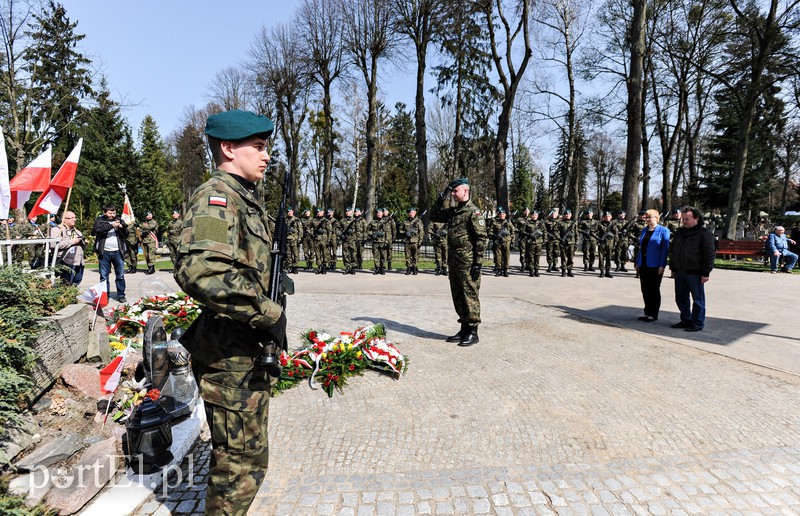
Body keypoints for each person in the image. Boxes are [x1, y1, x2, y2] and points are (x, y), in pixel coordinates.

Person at [173, 109, 285, 515]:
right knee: (237, 470)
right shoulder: (216, 199)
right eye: (258, 147)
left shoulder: (242, 200)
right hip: (228, 356)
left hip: (243, 351)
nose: (266, 155)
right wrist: (267, 312)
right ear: (227, 148)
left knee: (246, 464)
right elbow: (201, 271)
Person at [430, 178, 488, 347]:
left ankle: (473, 331)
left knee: (469, 294)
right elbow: (434, 216)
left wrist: (478, 263)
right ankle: (463, 328)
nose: (453, 194)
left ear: (465, 191)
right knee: (457, 293)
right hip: (454, 260)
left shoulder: (473, 212)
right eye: (452, 192)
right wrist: (440, 200)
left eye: (455, 191)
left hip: (468, 262)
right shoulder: (454, 211)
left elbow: (481, 238)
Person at [669, 206, 715, 332]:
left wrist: (706, 272)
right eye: (683, 219)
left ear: (696, 218)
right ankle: (685, 319)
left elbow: (709, 255)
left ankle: (697, 323)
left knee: (698, 300)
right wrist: (673, 267)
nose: (683, 221)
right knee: (681, 298)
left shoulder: (704, 234)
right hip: (680, 272)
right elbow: (674, 251)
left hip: (695, 273)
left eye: (687, 219)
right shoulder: (679, 233)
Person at [634, 209, 670, 322]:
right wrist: (638, 262)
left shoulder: (664, 231)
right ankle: (647, 311)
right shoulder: (645, 230)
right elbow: (641, 248)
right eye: (647, 217)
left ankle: (653, 313)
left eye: (650, 217)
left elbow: (665, 250)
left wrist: (662, 265)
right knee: (644, 289)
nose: (648, 219)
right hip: (644, 264)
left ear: (657, 218)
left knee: (654, 289)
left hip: (655, 265)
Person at [91, 204, 128, 303]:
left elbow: (126, 234)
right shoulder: (100, 220)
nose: (112, 215)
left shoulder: (119, 219)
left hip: (118, 251)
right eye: (110, 213)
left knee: (120, 275)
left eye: (114, 213)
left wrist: (121, 227)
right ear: (104, 212)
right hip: (104, 252)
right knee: (104, 276)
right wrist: (111, 225)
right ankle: (104, 295)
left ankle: (121, 295)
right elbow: (95, 231)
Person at [50, 210, 86, 285]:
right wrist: (72, 241)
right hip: (65, 261)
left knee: (75, 284)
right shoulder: (57, 230)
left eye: (75, 217)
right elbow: (53, 244)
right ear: (64, 220)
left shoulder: (77, 231)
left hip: (79, 262)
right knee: (65, 285)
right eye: (71, 218)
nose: (74, 219)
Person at [400, 207, 424, 275]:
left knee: (415, 256)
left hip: (415, 241)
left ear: (415, 213)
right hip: (407, 241)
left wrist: (420, 241)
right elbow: (400, 230)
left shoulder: (418, 221)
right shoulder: (405, 221)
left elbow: (421, 231)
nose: (411, 213)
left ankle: (414, 268)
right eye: (410, 212)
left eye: (412, 212)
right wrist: (405, 233)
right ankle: (408, 268)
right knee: (407, 256)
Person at [490, 207, 514, 277]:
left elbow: (512, 232)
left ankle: (505, 270)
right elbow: (490, 232)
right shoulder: (494, 222)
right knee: (498, 256)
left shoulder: (508, 222)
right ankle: (498, 270)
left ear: (505, 215)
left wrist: (512, 242)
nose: (502, 215)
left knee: (506, 256)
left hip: (507, 241)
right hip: (498, 242)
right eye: (500, 214)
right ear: (499, 215)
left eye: (503, 214)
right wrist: (495, 236)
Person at [367, 208, 390, 275]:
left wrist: (386, 242)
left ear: (382, 214)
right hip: (375, 242)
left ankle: (382, 268)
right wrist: (372, 234)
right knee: (376, 256)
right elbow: (367, 230)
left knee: (383, 256)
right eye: (377, 213)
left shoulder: (385, 222)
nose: (379, 214)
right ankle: (377, 268)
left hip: (383, 242)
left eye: (380, 212)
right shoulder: (373, 222)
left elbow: (388, 233)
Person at [595, 210, 617, 278]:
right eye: (606, 216)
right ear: (603, 217)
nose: (607, 217)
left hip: (610, 243)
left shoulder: (613, 225)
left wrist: (615, 243)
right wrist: (598, 239)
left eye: (609, 216)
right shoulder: (599, 224)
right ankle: (602, 271)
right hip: (602, 243)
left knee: (609, 257)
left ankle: (608, 271)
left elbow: (616, 235)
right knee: (601, 258)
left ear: (611, 217)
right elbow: (594, 232)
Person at [339, 207, 359, 275]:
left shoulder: (355, 220)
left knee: (353, 254)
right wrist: (341, 235)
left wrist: (356, 238)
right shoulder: (342, 221)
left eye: (349, 211)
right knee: (345, 254)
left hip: (352, 240)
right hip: (345, 240)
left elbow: (358, 230)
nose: (347, 212)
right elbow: (337, 229)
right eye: (346, 211)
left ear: (351, 212)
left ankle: (353, 268)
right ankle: (347, 267)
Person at [557, 209, 577, 277]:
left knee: (570, 258)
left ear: (571, 215)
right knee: (563, 257)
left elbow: (577, 234)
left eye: (569, 214)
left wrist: (576, 242)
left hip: (571, 243)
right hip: (563, 242)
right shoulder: (560, 223)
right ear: (564, 215)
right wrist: (559, 238)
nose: (567, 215)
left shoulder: (573, 223)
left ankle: (569, 271)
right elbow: (555, 232)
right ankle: (563, 271)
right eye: (566, 214)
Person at [139, 211, 159, 275]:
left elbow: (150, 228)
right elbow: (141, 232)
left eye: (150, 214)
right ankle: (149, 267)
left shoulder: (154, 222)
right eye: (148, 215)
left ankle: (152, 268)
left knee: (151, 255)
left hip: (151, 241)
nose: (149, 216)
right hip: (145, 241)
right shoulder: (144, 223)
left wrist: (140, 226)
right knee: (147, 255)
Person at [285, 206, 304, 274]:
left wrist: (299, 238)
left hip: (295, 240)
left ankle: (295, 267)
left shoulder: (297, 220)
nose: (289, 213)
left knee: (296, 254)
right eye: (288, 212)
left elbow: (300, 230)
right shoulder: (286, 220)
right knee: (288, 254)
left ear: (292, 211)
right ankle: (290, 267)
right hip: (287, 239)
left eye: (290, 211)